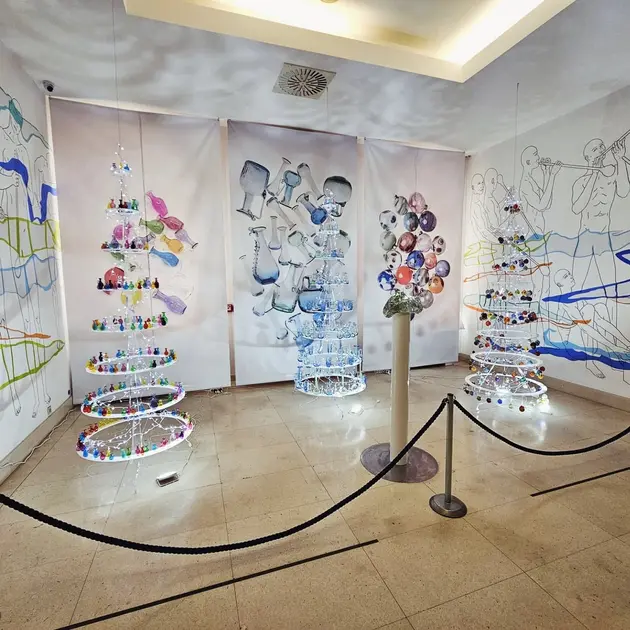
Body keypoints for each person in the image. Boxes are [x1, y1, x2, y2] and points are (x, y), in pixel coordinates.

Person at [571, 136, 630, 325]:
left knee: (609, 284)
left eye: (602, 147)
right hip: (585, 237)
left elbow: (624, 191)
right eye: (596, 149)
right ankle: (578, 320)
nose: (602, 151)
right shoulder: (581, 181)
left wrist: (620, 159)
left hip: (605, 237)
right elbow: (577, 207)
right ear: (588, 158)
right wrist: (594, 173)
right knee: (578, 283)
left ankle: (609, 323)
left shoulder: (611, 177)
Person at [552, 268, 630, 381]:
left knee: (598, 308)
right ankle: (591, 362)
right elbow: (587, 330)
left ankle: (620, 350)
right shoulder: (566, 303)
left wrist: (625, 343)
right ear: (560, 284)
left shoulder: (575, 296)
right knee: (589, 312)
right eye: (565, 276)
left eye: (569, 274)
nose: (570, 276)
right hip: (569, 337)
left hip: (583, 328)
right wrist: (613, 347)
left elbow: (601, 322)